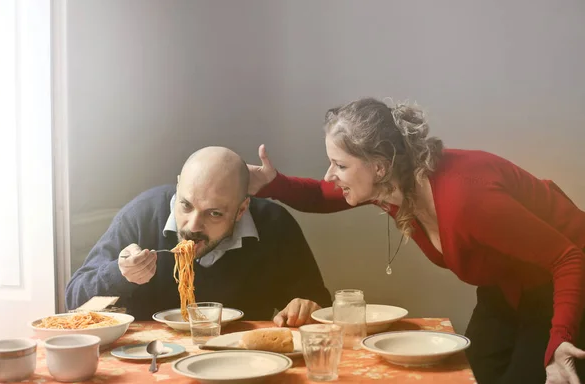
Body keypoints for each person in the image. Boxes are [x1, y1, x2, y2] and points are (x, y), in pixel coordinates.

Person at [247, 97, 585, 384]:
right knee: (471, 375)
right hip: (506, 284)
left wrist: (561, 339)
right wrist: (270, 183)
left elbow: (567, 258)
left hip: (567, 281)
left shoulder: (467, 200)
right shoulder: (391, 184)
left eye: (339, 165)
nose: (329, 175)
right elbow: (322, 195)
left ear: (379, 166)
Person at [66, 146, 332, 327]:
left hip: (242, 362)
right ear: (179, 184)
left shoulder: (274, 225)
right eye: (185, 205)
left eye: (214, 213)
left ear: (241, 210)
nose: (192, 226)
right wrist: (119, 274)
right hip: (151, 359)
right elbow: (75, 300)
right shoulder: (143, 214)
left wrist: (306, 307)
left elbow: (319, 307)